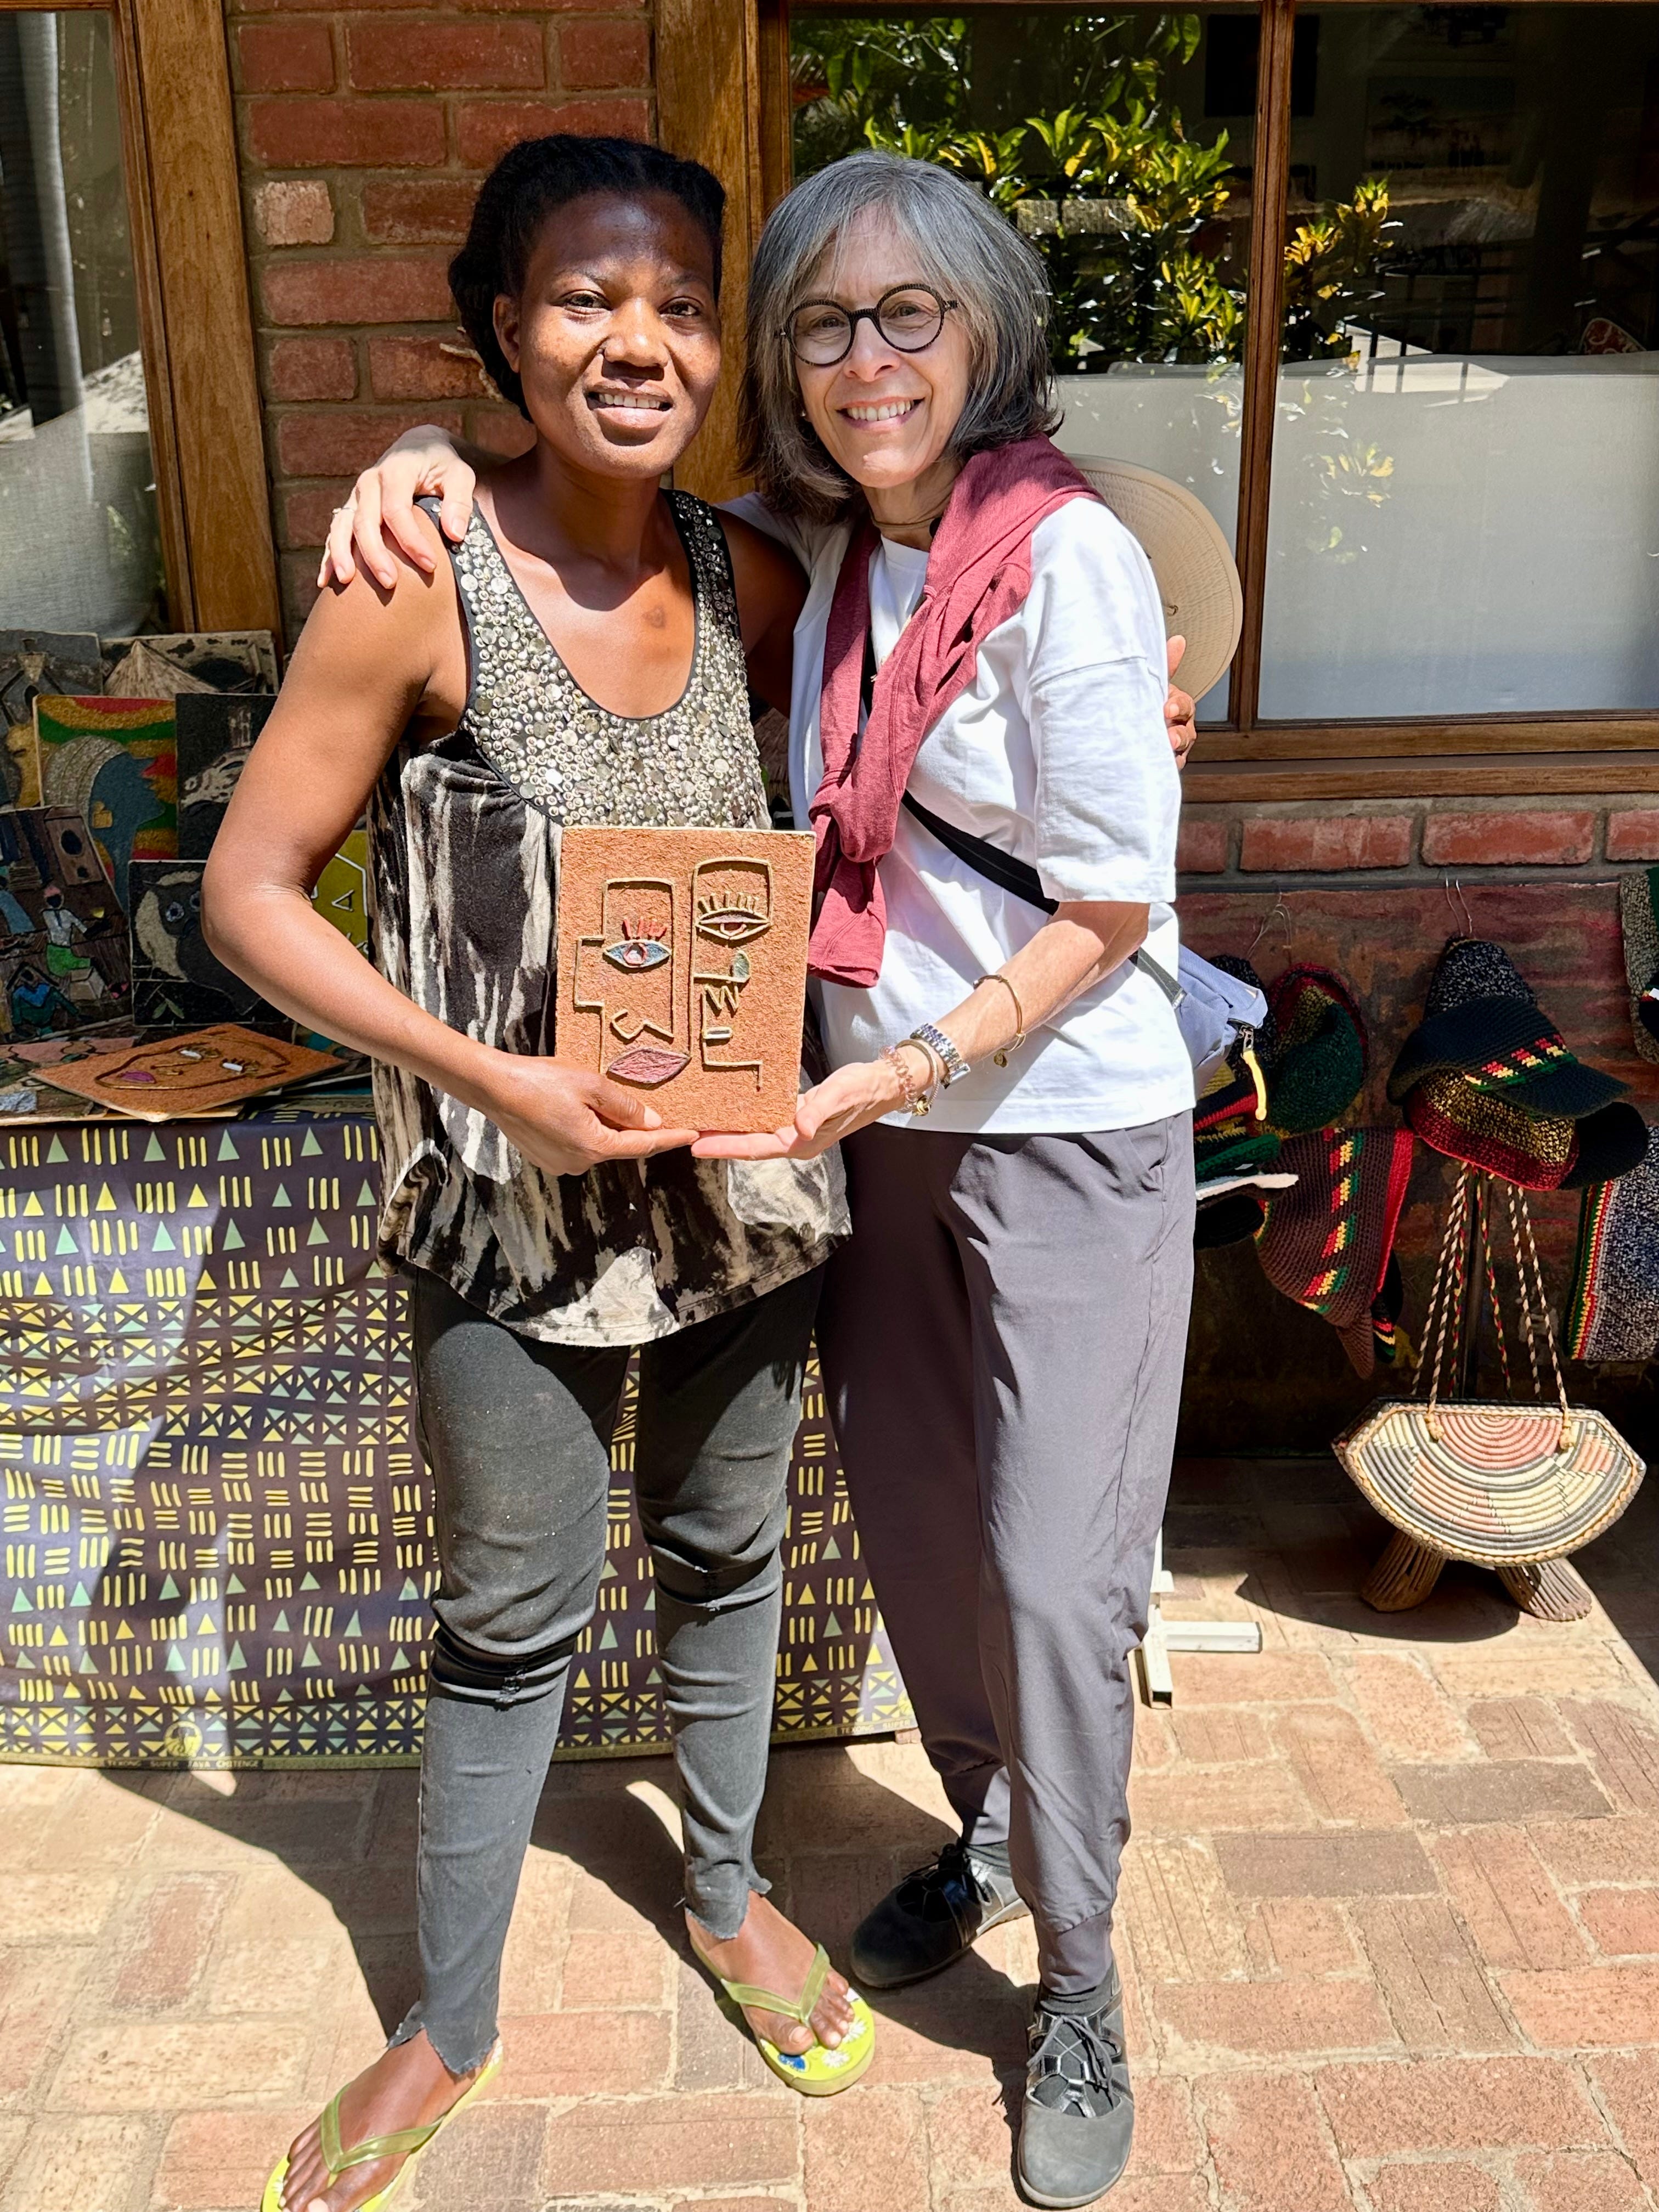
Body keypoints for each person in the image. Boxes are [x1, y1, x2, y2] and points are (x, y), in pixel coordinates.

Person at [328, 151, 1201, 2212]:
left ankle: (1080, 1981)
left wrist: (887, 1065)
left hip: (1046, 1124)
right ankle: (991, 1835)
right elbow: (538, 492)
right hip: (846, 1144)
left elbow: (1109, 893)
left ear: (986, 331)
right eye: (825, 321)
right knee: (916, 1532)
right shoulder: (822, 553)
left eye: (912, 316)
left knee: (1055, 1574)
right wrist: (417, 461)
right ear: (783, 364)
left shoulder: (1048, 554)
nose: (868, 358)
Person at [205, 134, 875, 2212]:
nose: (637, 341)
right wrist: (485, 1074)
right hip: (507, 1217)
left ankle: (731, 1897)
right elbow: (251, 894)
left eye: (680, 304)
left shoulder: (761, 577)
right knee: (510, 1615)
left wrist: (1159, 682)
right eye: (586, 299)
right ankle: (451, 2017)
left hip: (740, 1205)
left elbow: (999, 584)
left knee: (729, 1555)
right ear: (507, 330)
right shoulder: (418, 581)